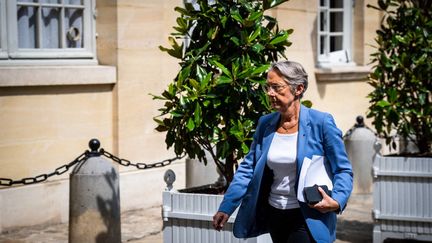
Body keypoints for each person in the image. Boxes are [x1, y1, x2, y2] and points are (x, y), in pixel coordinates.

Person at [212, 60, 353, 243]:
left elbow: (343, 169)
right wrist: (227, 206)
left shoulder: (321, 123)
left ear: (299, 89)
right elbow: (247, 169)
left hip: (307, 217)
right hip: (274, 215)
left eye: (276, 87)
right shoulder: (266, 124)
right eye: (267, 87)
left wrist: (337, 201)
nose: (270, 93)